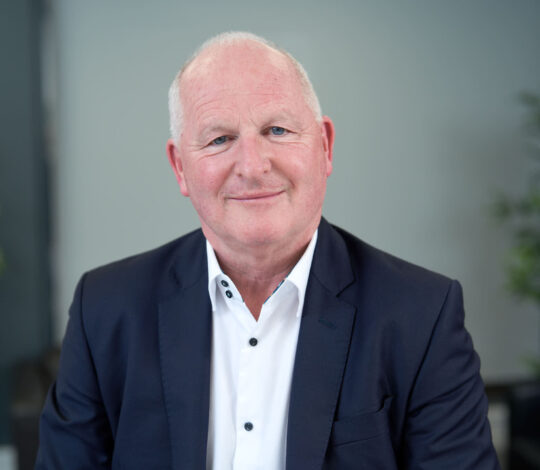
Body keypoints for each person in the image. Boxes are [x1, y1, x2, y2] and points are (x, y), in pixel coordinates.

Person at [36, 31, 500, 469]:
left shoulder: (421, 316)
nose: (253, 166)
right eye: (220, 139)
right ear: (180, 167)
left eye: (277, 130)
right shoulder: (106, 310)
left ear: (325, 145)